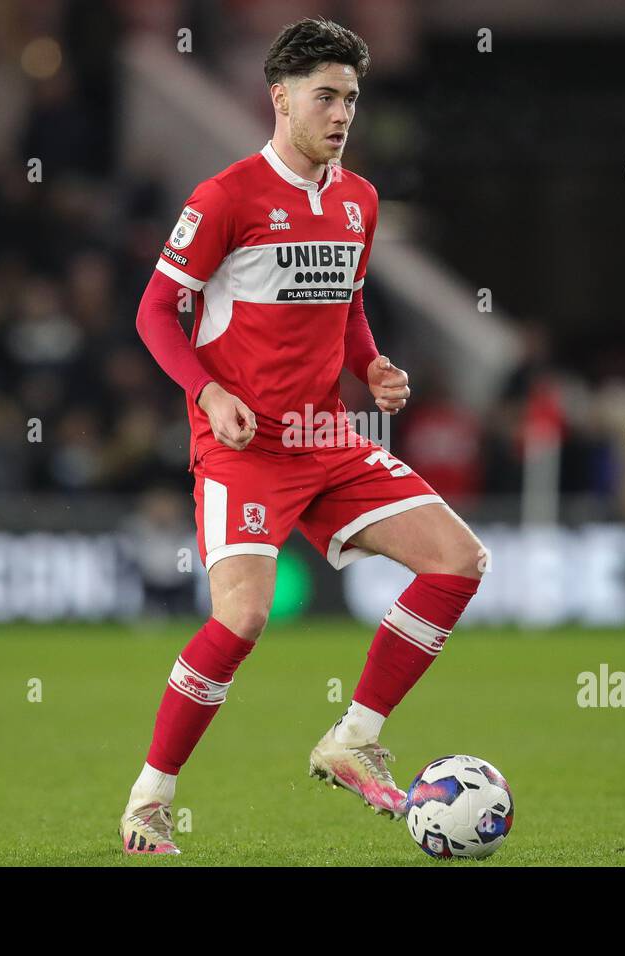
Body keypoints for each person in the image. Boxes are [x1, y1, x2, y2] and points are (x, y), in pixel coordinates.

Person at [122, 18, 488, 855]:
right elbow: (152, 311)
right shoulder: (224, 198)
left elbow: (348, 306)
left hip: (329, 435)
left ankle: (353, 738)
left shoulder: (359, 200)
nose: (341, 113)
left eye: (352, 98)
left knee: (459, 560)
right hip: (245, 446)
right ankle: (150, 796)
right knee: (243, 619)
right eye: (326, 96)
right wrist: (208, 392)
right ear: (278, 98)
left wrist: (374, 367)